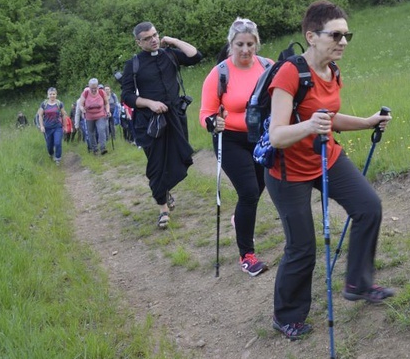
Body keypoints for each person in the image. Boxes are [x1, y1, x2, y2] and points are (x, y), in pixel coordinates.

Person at [265, 0, 394, 340]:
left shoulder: (332, 70)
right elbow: (277, 135)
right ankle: (286, 315)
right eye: (336, 35)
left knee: (368, 207)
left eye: (347, 34)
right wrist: (309, 126)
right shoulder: (290, 73)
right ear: (312, 35)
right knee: (302, 246)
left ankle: (358, 283)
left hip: (326, 157)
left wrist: (367, 122)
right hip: (287, 170)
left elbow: (329, 117)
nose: (344, 41)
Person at [199, 17, 273, 276]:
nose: (245, 50)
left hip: (262, 138)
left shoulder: (267, 66)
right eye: (240, 44)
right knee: (250, 192)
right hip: (229, 138)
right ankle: (247, 256)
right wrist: (212, 122)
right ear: (231, 44)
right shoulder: (220, 72)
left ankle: (240, 219)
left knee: (260, 186)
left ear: (257, 44)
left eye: (250, 44)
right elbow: (206, 112)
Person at [121, 21, 203, 229]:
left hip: (174, 118)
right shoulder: (134, 64)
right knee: (156, 165)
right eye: (147, 38)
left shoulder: (170, 54)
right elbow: (128, 96)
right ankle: (163, 209)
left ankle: (165, 191)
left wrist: (173, 41)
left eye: (155, 35)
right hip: (150, 123)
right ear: (139, 43)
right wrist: (150, 103)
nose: (153, 40)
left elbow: (195, 56)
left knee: (177, 158)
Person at [80, 78, 110, 155]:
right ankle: (95, 149)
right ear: (89, 87)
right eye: (91, 88)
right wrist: (82, 109)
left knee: (101, 130)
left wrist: (107, 111)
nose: (93, 90)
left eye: (95, 88)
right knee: (91, 133)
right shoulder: (85, 93)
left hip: (100, 115)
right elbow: (81, 104)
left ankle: (103, 148)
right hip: (89, 116)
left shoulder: (101, 92)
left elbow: (106, 103)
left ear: (97, 86)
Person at [37, 87, 66, 166]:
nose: (52, 95)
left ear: (56, 95)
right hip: (47, 128)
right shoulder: (44, 104)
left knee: (57, 143)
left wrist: (65, 126)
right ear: (48, 95)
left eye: (54, 94)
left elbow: (64, 115)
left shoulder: (59, 103)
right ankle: (51, 154)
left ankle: (58, 158)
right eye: (50, 94)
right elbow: (40, 115)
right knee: (49, 145)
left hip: (57, 127)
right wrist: (41, 126)